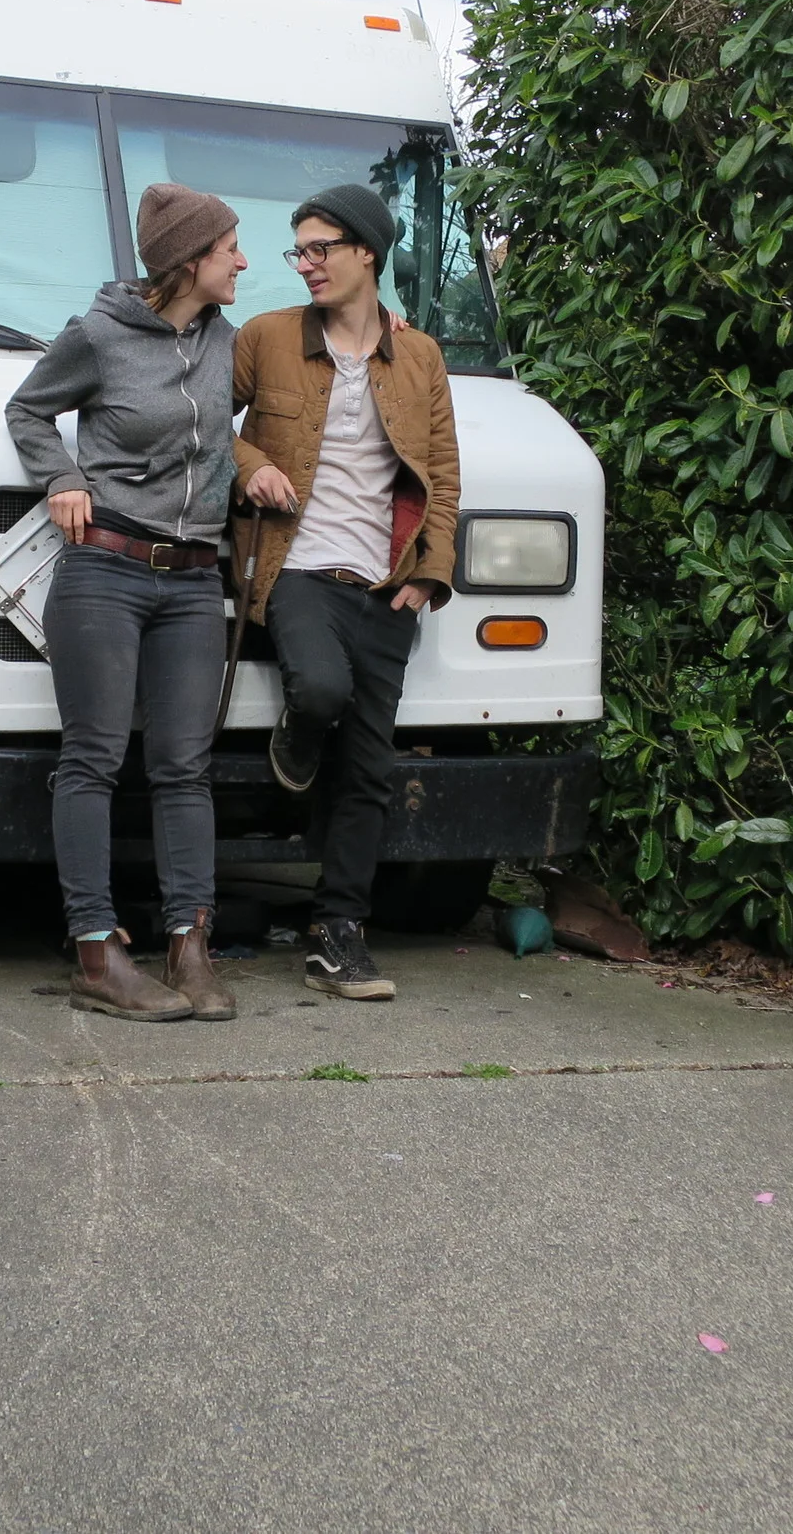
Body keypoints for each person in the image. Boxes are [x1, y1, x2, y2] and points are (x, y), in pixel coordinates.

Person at [5, 184, 246, 1022]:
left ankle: (190, 944)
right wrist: (64, 477)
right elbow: (29, 409)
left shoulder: (229, 343)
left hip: (192, 580)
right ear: (189, 262)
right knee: (95, 756)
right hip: (104, 570)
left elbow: (286, 384)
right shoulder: (99, 335)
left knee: (185, 764)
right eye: (229, 250)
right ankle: (97, 952)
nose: (242, 262)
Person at [231, 183, 459, 1001]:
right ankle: (297, 734)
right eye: (300, 250)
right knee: (321, 688)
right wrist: (248, 462)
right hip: (295, 568)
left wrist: (431, 572)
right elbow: (199, 416)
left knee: (368, 768)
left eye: (321, 247)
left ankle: (339, 933)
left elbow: (441, 469)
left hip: (385, 582)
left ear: (368, 251)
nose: (307, 264)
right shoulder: (265, 339)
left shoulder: (420, 355)